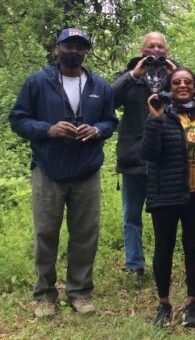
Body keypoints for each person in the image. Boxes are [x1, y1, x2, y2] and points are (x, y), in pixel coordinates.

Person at [9, 28, 118, 317]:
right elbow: (18, 119)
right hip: (48, 169)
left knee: (85, 234)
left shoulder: (99, 85)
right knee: (46, 232)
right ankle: (45, 295)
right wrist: (48, 129)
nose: (75, 50)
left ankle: (79, 292)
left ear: (85, 51)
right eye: (69, 45)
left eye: (80, 46)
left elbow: (110, 121)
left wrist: (96, 130)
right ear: (58, 49)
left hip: (86, 170)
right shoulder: (38, 81)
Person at [143, 67, 195, 328]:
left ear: (194, 86)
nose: (182, 85)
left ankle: (192, 302)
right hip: (167, 193)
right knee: (164, 248)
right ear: (170, 84)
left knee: (193, 248)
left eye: (188, 81)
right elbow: (149, 153)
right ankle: (164, 303)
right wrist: (154, 120)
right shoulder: (161, 113)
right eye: (177, 81)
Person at [112, 31, 177, 285]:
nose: (156, 51)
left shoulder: (174, 76)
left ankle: (164, 262)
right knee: (132, 215)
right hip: (133, 155)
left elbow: (192, 93)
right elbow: (108, 98)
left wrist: (176, 70)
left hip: (165, 156)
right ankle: (135, 265)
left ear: (167, 50)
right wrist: (133, 75)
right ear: (142, 49)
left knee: (165, 214)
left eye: (160, 46)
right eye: (151, 46)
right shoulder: (131, 75)